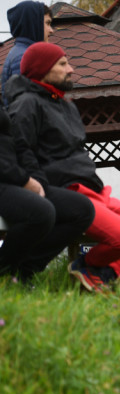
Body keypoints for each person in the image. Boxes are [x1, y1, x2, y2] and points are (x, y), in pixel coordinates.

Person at [9, 43, 120, 292]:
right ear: (42, 69)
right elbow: (22, 152)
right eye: (63, 64)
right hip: (69, 193)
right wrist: (40, 188)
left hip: (96, 191)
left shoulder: (66, 105)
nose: (71, 69)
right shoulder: (26, 104)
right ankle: (89, 268)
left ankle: (100, 271)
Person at [0, 104, 94, 283]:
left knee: (81, 209)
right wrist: (23, 180)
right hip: (7, 180)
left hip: (15, 178)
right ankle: (4, 270)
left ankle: (25, 270)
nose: (71, 73)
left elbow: (21, 148)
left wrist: (37, 180)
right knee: (41, 212)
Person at [2, 1, 53, 108]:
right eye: (47, 23)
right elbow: (26, 107)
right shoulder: (23, 57)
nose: (51, 30)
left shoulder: (20, 52)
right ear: (33, 23)